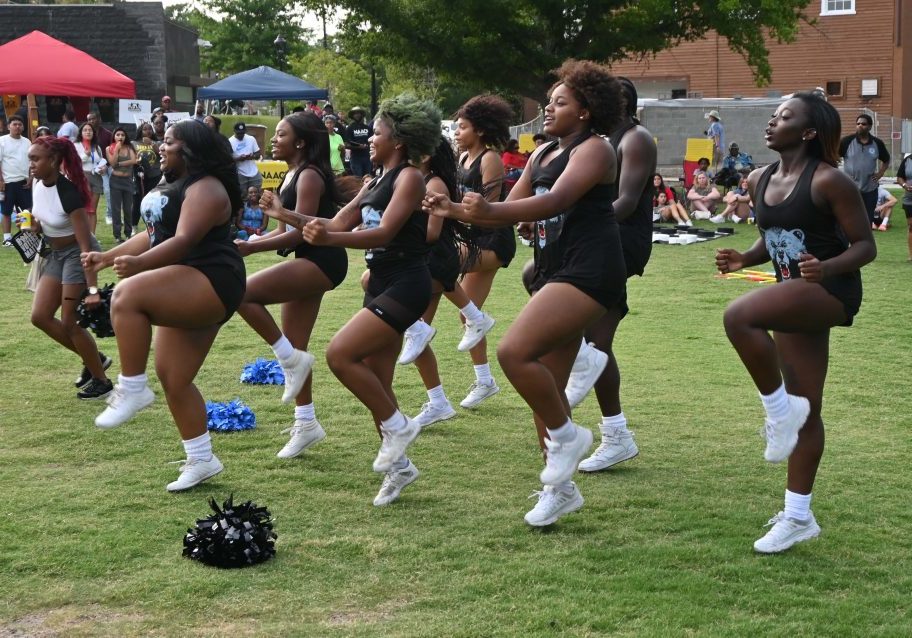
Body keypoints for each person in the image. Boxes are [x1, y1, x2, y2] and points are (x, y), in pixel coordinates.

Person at [425, 59, 627, 527]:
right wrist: (454, 207)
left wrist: (481, 210)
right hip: (556, 267)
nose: (548, 111)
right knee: (548, 389)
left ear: (586, 110)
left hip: (591, 269)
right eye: (550, 101)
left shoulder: (595, 151)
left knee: (515, 352)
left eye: (560, 102)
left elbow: (555, 201)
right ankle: (560, 489)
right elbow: (510, 208)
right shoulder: (541, 155)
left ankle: (568, 436)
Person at [716, 92, 876, 553]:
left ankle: (777, 412)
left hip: (829, 291)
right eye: (773, 115)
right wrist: (742, 257)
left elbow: (866, 246)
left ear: (808, 133)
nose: (772, 122)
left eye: (783, 117)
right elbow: (773, 238)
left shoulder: (831, 181)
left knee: (739, 316)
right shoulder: (758, 178)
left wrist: (825, 269)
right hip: (793, 295)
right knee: (809, 406)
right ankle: (798, 516)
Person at [263, 94, 440, 507]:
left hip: (407, 283)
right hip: (379, 282)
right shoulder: (375, 179)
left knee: (340, 354)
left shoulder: (410, 178)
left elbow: (384, 233)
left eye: (377, 132)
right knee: (378, 381)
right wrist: (285, 216)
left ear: (398, 140)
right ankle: (400, 469)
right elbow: (336, 222)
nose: (369, 139)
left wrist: (332, 238)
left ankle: (399, 426)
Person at [83, 119, 247, 492]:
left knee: (128, 295)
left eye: (168, 142)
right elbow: (153, 233)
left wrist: (141, 266)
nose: (159, 146)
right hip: (183, 278)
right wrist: (107, 257)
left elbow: (186, 239)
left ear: (190, 150)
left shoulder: (207, 188)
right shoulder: (169, 183)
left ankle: (132, 386)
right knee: (175, 378)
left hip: (211, 278)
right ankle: (202, 458)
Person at [236, 112, 348, 458]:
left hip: (321, 262)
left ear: (300, 141)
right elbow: (284, 231)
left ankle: (287, 359)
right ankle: (307, 423)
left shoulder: (310, 176)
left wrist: (252, 247)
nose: (274, 139)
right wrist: (251, 243)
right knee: (297, 346)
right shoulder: (292, 174)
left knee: (240, 293)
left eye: (281, 134)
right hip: (307, 260)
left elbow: (303, 230)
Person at [573, 76, 656, 472]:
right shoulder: (598, 141)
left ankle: (614, 433)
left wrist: (569, 220)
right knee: (535, 274)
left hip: (622, 239)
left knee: (596, 340)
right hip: (599, 237)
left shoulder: (635, 138)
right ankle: (616, 432)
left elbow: (625, 202)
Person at [396, 137, 480, 428]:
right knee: (416, 336)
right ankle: (438, 402)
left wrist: (396, 231)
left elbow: (432, 233)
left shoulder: (434, 184)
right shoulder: (415, 179)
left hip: (434, 260)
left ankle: (475, 317)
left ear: (428, 155)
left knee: (375, 283)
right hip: (424, 260)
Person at [27, 136, 112, 399]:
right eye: (30, 158)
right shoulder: (38, 184)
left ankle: (101, 380)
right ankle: (94, 357)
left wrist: (94, 289)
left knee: (70, 322)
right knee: (40, 316)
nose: (31, 164)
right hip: (56, 253)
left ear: (53, 161)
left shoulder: (69, 193)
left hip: (78, 254)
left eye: (36, 159)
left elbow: (87, 247)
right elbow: (44, 219)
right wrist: (34, 226)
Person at [450, 94, 516, 409]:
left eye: (461, 127)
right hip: (471, 236)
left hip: (492, 239)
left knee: (439, 263)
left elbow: (488, 209)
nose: (456, 133)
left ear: (479, 130)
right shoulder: (460, 159)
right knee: (468, 315)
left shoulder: (489, 159)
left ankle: (417, 327)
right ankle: (485, 381)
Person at [839, 114, 889, 226]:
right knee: (849, 220)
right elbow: (833, 157)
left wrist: (880, 173)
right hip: (850, 188)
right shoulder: (846, 141)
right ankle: (849, 243)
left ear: (870, 126)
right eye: (858, 124)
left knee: (867, 221)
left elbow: (886, 160)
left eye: (863, 124)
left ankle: (865, 242)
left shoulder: (877, 143)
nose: (860, 125)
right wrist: (839, 175)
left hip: (870, 189)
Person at [0, 115, 33, 245]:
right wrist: (1, 181)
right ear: (8, 126)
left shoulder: (27, 142)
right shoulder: (2, 141)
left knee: (25, 211)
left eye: (20, 124)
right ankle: (7, 238)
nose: (17, 126)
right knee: (7, 211)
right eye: (14, 124)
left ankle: (25, 237)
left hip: (23, 181)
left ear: (23, 127)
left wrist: (30, 178)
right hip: (8, 182)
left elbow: (31, 162)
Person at [106, 127, 138, 242]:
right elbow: (113, 164)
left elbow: (134, 161)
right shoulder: (109, 148)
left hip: (128, 181)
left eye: (122, 135)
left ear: (125, 137)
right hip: (115, 181)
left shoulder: (129, 147)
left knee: (128, 209)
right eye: (118, 135)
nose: (120, 137)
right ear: (114, 136)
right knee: (116, 209)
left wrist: (120, 162)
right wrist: (116, 150)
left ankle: (128, 233)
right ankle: (117, 236)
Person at [74, 122, 106, 232]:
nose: (88, 132)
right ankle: (83, 234)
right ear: (81, 132)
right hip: (83, 177)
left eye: (90, 130)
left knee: (92, 210)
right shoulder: (76, 145)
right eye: (85, 130)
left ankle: (92, 236)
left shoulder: (96, 147)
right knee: (83, 209)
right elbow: (74, 162)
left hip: (96, 177)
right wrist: (86, 155)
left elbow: (100, 161)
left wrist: (104, 169)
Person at [230, 122, 263, 192]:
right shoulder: (230, 141)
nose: (241, 135)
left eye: (242, 133)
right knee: (243, 196)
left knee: (256, 194)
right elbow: (228, 159)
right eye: (238, 133)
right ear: (234, 131)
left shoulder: (251, 139)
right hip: (240, 173)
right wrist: (239, 158)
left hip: (254, 172)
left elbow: (258, 154)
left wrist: (252, 156)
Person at [345, 106, 372, 178]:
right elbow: (347, 144)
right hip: (355, 158)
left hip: (367, 157)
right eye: (355, 113)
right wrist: (358, 147)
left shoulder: (367, 128)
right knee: (358, 179)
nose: (357, 115)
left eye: (358, 113)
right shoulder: (349, 128)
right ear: (352, 115)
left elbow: (372, 141)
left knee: (368, 179)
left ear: (362, 114)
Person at [895, 153, 912, 258]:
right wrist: (905, 185)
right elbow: (900, 177)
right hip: (909, 200)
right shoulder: (907, 160)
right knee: (911, 226)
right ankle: (911, 255)